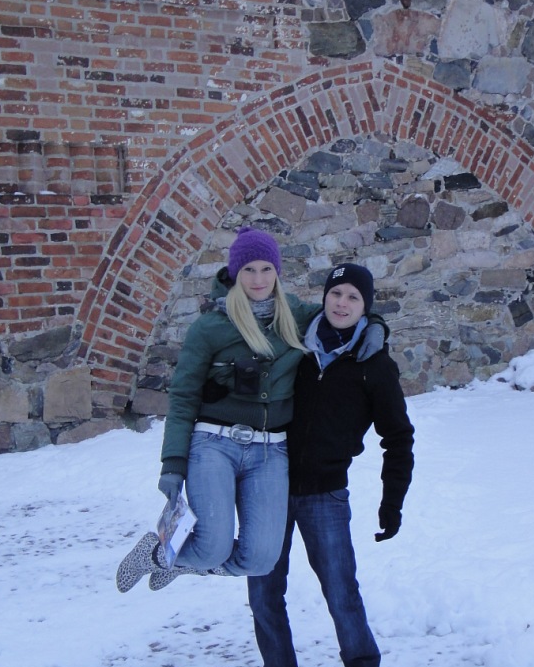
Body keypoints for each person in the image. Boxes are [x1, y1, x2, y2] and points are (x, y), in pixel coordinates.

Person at [116, 231, 384, 593]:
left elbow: (343, 311)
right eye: (249, 270)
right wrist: (173, 463)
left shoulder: (297, 315)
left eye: (266, 269)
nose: (258, 279)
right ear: (235, 273)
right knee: (212, 547)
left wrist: (376, 325)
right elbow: (182, 397)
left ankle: (175, 559)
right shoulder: (210, 327)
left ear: (277, 272)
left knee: (260, 560)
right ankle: (158, 552)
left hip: (270, 452)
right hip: (214, 445)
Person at [244, 263, 414, 667]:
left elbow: (398, 438)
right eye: (336, 293)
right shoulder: (292, 345)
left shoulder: (374, 366)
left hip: (326, 494)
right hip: (269, 488)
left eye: (353, 297)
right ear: (324, 297)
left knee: (340, 589)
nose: (341, 303)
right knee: (263, 592)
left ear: (366, 307)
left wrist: (392, 502)